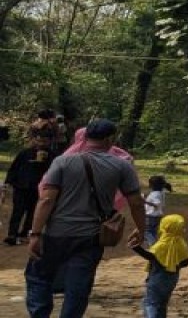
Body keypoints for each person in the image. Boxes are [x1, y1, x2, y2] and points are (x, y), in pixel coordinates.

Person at [24, 118, 146, 318]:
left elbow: (46, 200)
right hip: (90, 238)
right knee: (78, 285)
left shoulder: (62, 162)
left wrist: (35, 234)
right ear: (109, 139)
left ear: (85, 137)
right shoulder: (121, 166)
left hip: (56, 234)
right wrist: (141, 229)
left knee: (38, 277)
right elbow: (136, 203)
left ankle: (39, 314)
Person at [131, 214, 188, 318]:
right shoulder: (182, 243)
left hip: (157, 277)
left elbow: (151, 256)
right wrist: (174, 265)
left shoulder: (162, 244)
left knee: (150, 303)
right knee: (163, 304)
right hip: (172, 278)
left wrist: (136, 248)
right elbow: (186, 261)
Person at [5, 131, 54, 245]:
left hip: (38, 189)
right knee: (18, 210)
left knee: (32, 212)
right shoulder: (25, 153)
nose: (41, 143)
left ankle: (25, 232)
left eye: (44, 141)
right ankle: (12, 234)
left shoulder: (52, 156)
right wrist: (9, 182)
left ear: (50, 142)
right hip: (21, 187)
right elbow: (14, 168)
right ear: (34, 140)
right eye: (39, 140)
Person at [143, 176, 173, 245]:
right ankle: (154, 246)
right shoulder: (161, 192)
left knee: (146, 231)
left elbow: (156, 204)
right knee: (153, 232)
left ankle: (154, 245)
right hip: (157, 216)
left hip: (151, 216)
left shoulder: (155, 194)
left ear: (152, 185)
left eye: (149, 183)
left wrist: (144, 201)